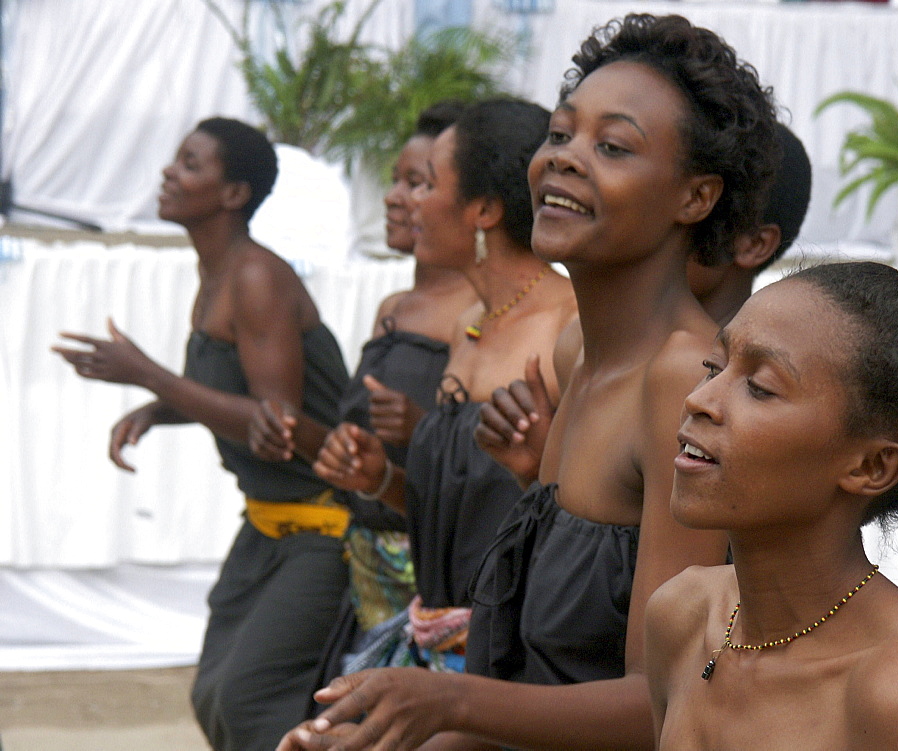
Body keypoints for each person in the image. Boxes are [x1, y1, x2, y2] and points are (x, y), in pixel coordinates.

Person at [280, 14, 779, 750]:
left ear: (696, 197)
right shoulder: (577, 351)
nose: (565, 159)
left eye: (612, 146)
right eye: (560, 134)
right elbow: (555, 658)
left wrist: (448, 701)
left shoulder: (681, 380)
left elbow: (660, 702)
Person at [51, 117, 351, 751]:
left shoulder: (255, 276)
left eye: (190, 163)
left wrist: (148, 374)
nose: (168, 172)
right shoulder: (218, 274)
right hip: (268, 523)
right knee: (212, 693)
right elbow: (243, 396)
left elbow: (279, 422)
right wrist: (159, 410)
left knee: (248, 700)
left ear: (234, 193)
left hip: (323, 529)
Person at [647, 229, 898, 749]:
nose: (701, 399)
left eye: (761, 388)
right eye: (713, 367)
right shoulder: (681, 615)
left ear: (872, 467)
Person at [304, 97, 577, 676]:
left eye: (427, 185)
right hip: (436, 641)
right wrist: (379, 478)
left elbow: (581, 518)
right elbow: (458, 510)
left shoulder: (566, 326)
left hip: (513, 655)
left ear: (482, 210)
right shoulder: (468, 326)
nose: (410, 203)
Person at [249, 100, 478, 708]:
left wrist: (423, 427)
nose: (399, 198)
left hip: (423, 568)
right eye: (399, 181)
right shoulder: (394, 307)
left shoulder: (480, 319)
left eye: (421, 183)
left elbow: (499, 460)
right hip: (364, 556)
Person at [476, 122, 812, 487]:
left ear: (751, 244)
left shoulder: (702, 387)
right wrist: (538, 473)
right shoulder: (586, 350)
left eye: (699, 211)